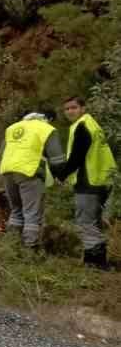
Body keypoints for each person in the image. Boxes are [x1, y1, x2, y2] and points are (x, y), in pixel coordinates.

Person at [59, 97, 116, 269]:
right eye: (66, 109)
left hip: (88, 181)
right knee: (95, 222)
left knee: (86, 223)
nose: (70, 111)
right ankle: (100, 261)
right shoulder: (93, 124)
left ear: (83, 108)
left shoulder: (81, 126)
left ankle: (95, 264)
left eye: (74, 107)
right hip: (103, 180)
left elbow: (77, 156)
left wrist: (61, 175)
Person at [0, 110, 67, 249]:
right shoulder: (47, 128)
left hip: (8, 171)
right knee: (32, 213)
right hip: (29, 173)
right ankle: (30, 249)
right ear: (48, 119)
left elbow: (1, 153)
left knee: (16, 210)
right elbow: (57, 159)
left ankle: (11, 245)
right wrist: (61, 176)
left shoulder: (13, 128)